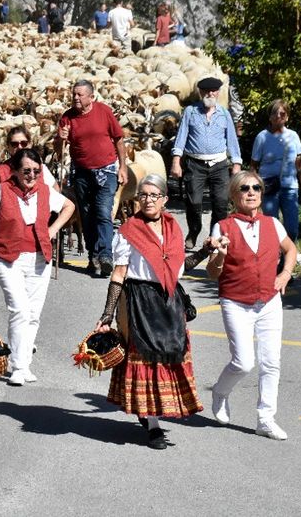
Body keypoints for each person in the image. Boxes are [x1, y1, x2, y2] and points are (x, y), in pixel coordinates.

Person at [95, 174, 203, 449]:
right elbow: (119, 274)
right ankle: (152, 424)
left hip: (168, 300)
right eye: (143, 195)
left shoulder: (173, 228)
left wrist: (205, 251)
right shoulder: (129, 231)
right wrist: (108, 314)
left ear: (165, 199)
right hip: (139, 301)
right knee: (144, 360)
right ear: (137, 199)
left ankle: (156, 412)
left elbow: (178, 268)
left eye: (154, 195)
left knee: (170, 355)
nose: (148, 200)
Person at [0, 148, 74, 385]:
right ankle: (17, 366)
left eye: (36, 171)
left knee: (34, 314)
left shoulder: (45, 191)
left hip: (39, 257)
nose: (32, 176)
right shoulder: (3, 189)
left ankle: (25, 363)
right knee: (19, 309)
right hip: (8, 257)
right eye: (26, 171)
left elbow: (69, 207)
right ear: (14, 171)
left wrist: (52, 230)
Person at [205, 170, 297, 440]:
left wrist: (285, 274)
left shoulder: (273, 224)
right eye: (244, 188)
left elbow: (290, 249)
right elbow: (213, 273)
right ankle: (220, 393)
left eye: (256, 187)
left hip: (269, 301)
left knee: (271, 362)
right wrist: (219, 257)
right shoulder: (223, 227)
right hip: (235, 301)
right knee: (244, 362)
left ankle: (265, 418)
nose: (251, 192)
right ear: (234, 195)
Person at [57, 80, 127, 277]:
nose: (76, 98)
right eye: (74, 95)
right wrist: (60, 138)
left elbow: (118, 139)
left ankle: (105, 254)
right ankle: (93, 255)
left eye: (80, 95)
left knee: (103, 211)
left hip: (106, 171)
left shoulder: (104, 112)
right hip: (81, 173)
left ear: (91, 97)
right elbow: (58, 151)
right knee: (86, 216)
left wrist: (122, 167)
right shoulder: (67, 118)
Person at [171, 76, 242, 250]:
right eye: (206, 91)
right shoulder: (190, 112)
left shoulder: (224, 114)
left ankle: (214, 236)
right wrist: (176, 161)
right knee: (193, 202)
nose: (210, 94)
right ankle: (194, 230)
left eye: (213, 91)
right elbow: (181, 137)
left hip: (219, 165)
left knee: (221, 202)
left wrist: (236, 163)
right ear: (200, 92)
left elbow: (232, 140)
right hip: (195, 164)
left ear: (218, 93)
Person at [250, 99, 301, 248]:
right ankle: (273, 259)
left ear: (287, 116)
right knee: (271, 227)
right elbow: (253, 166)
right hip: (269, 187)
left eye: (282, 113)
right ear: (269, 117)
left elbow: (299, 164)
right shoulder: (262, 137)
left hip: (290, 187)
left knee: (292, 227)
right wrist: (254, 189)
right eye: (274, 113)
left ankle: (287, 259)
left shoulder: (293, 136)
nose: (278, 116)